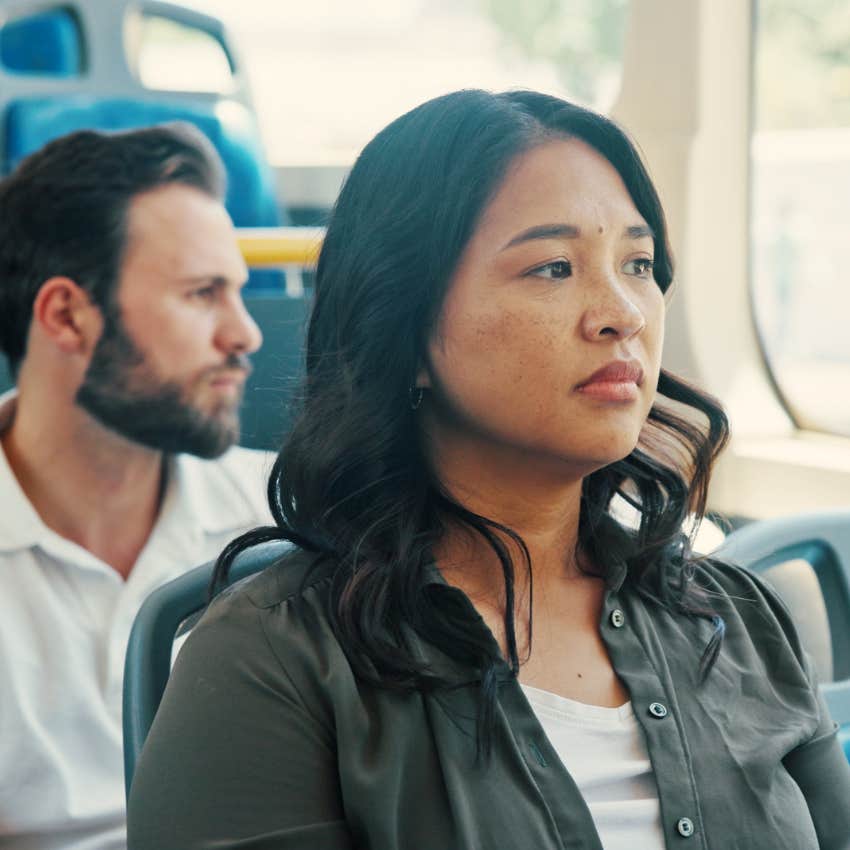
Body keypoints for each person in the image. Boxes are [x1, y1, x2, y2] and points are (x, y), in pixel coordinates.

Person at [127, 91, 850, 850]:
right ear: (404, 330)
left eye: (638, 263)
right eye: (552, 268)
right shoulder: (272, 661)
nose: (622, 313)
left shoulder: (732, 617)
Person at [0, 123, 272, 849]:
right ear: (66, 316)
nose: (245, 334)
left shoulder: (291, 517)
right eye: (202, 294)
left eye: (238, 293)